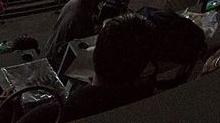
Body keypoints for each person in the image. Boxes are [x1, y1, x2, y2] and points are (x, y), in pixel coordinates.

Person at [12, 14, 157, 123]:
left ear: (95, 55)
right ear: (145, 64)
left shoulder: (46, 116)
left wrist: (6, 108)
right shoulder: (151, 100)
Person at [45, 0, 110, 64]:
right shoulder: (83, 15)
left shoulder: (74, 1)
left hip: (52, 53)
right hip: (60, 61)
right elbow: (87, 44)